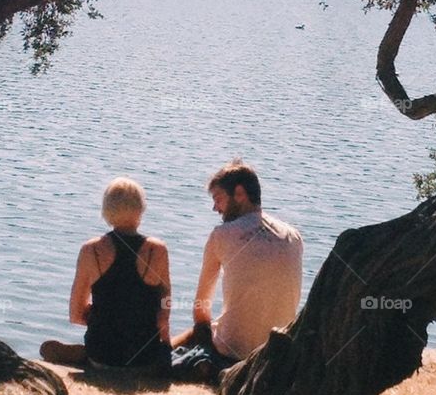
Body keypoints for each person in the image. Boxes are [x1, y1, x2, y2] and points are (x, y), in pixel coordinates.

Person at [172, 161, 302, 383]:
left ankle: (153, 356)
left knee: (192, 339)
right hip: (277, 353)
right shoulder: (293, 236)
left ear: (239, 194)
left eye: (218, 199)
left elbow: (201, 310)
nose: (216, 208)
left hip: (232, 355)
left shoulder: (222, 234)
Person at [40, 177, 171, 373]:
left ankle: (81, 354)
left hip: (101, 353)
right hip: (145, 357)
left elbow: (75, 314)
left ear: (106, 210)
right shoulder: (157, 250)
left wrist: (106, 317)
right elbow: (164, 313)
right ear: (141, 208)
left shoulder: (91, 250)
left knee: (47, 348)